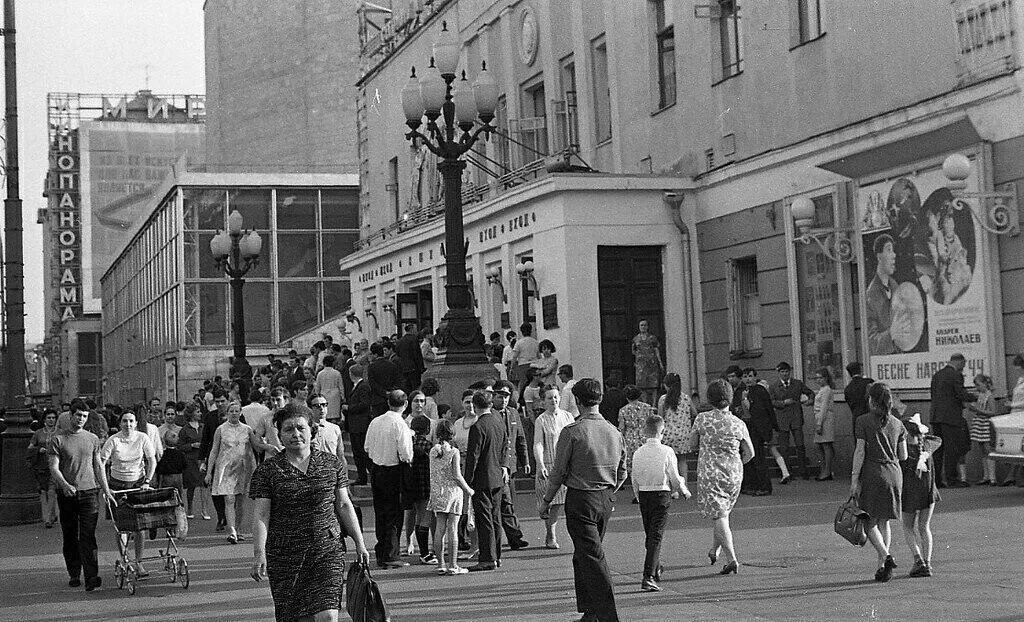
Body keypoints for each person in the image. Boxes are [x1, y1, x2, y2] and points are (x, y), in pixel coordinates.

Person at [250, 401, 370, 621]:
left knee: (328, 616)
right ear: (279, 434)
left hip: (327, 548)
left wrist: (360, 543)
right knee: (298, 618)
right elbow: (261, 514)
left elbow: (343, 505)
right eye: (288, 429)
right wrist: (259, 553)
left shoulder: (330, 464)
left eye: (301, 428)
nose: (295, 434)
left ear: (311, 431)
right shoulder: (267, 471)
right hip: (285, 554)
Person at [540, 379, 627, 622]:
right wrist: (610, 490)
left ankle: (608, 616)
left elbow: (557, 472)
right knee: (584, 554)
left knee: (592, 557)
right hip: (605, 498)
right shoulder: (614, 431)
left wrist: (546, 500)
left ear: (578, 401)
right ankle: (590, 612)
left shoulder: (572, 431)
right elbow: (623, 471)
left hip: (581, 498)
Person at [688, 379, 754, 575]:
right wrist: (736, 464)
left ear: (710, 399)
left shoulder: (702, 419)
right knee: (722, 514)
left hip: (710, 473)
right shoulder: (738, 423)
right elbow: (750, 453)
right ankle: (714, 549)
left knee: (720, 516)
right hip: (734, 474)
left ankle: (732, 559)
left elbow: (692, 445)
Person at [49, 400, 115, 591]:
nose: (81, 419)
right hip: (67, 494)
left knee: (87, 535)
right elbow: (54, 468)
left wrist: (107, 490)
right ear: (71, 416)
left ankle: (92, 577)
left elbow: (98, 465)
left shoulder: (92, 438)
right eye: (78, 415)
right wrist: (65, 485)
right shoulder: (58, 439)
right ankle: (74, 573)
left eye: (84, 416)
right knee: (70, 535)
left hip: (89, 493)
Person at [851, 382, 908, 582]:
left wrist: (854, 479)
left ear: (871, 400)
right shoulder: (898, 424)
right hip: (894, 474)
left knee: (868, 522)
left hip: (873, 474)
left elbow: (860, 451)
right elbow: (903, 456)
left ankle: (886, 556)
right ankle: (882, 568)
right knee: (884, 521)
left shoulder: (863, 421)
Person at [631, 414, 690, 592]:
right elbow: (673, 474)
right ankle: (648, 575)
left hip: (644, 494)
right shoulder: (667, 451)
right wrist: (683, 490)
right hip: (661, 493)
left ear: (645, 431)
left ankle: (655, 566)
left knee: (650, 533)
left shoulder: (638, 452)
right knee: (656, 535)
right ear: (662, 432)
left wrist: (638, 495)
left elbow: (634, 478)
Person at [99, 411, 157, 576]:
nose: (128, 424)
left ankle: (139, 562)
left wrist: (147, 481)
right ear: (120, 423)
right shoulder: (114, 440)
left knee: (140, 526)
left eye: (131, 421)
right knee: (121, 526)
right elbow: (101, 463)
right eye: (125, 421)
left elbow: (151, 460)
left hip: (138, 484)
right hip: (117, 485)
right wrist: (105, 487)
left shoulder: (142, 438)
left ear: (136, 422)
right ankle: (125, 559)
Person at [364, 389, 414, 569]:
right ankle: (391, 555)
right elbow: (406, 454)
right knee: (394, 514)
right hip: (393, 470)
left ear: (388, 403)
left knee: (381, 512)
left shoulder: (375, 421)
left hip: (377, 469)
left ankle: (382, 552)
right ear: (406, 404)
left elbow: (367, 447)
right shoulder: (400, 424)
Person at [463, 389, 508, 572]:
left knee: (485, 519)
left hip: (482, 478)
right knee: (495, 517)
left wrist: (467, 481)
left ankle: (487, 558)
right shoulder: (498, 421)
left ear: (475, 405)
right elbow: (504, 446)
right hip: (497, 476)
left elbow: (473, 456)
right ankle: (496, 556)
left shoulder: (478, 426)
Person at [205, 400, 259, 544]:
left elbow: (256, 446)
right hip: (226, 468)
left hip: (244, 468)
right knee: (229, 499)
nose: (234, 413)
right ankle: (232, 531)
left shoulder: (247, 429)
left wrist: (270, 447)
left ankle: (239, 529)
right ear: (227, 413)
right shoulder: (220, 429)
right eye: (231, 411)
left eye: (236, 411)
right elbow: (214, 450)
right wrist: (209, 471)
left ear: (240, 413)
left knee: (240, 501)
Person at [429, 418, 475, 575]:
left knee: (439, 528)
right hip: (452, 492)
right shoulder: (454, 452)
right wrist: (468, 489)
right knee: (452, 528)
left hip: (437, 491)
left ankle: (440, 564)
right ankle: (453, 565)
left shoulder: (433, 451)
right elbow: (456, 475)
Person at [533, 384, 574, 549]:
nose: (554, 400)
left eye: (556, 397)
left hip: (566, 465)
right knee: (548, 502)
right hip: (548, 464)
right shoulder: (541, 420)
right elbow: (538, 443)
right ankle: (549, 532)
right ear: (543, 401)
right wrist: (540, 463)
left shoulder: (568, 417)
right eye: (550, 398)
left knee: (559, 503)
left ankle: (552, 535)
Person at [900, 413, 941, 578]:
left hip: (909, 492)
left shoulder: (903, 452)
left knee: (907, 526)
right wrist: (922, 433)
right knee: (925, 527)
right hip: (928, 491)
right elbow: (937, 439)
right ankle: (928, 563)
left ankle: (918, 560)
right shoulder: (927, 446)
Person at [491, 380, 531, 550]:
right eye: (500, 396)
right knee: (505, 502)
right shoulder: (490, 414)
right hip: (497, 465)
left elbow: (520, 439)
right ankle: (515, 536)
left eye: (507, 396)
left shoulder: (513, 413)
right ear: (493, 396)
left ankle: (514, 536)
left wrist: (526, 461)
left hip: (511, 465)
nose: (504, 400)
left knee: (508, 502)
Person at [928, 353, 977, 487]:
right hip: (950, 417)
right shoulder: (955, 375)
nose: (963, 368)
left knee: (938, 450)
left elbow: (935, 394)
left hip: (936, 416)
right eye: (963, 365)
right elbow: (960, 394)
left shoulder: (937, 374)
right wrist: (975, 396)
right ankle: (952, 479)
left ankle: (936, 480)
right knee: (952, 449)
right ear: (959, 362)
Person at [769, 362, 815, 480]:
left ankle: (803, 471)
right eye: (782, 372)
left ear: (790, 372)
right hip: (782, 419)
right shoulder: (774, 386)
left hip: (796, 417)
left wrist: (810, 400)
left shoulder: (797, 384)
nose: (785, 374)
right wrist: (783, 403)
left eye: (787, 371)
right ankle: (788, 471)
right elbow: (771, 402)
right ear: (778, 373)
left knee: (800, 445)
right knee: (784, 447)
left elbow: (810, 393)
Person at [866, 234, 908, 355]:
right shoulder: (871, 295)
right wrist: (891, 334)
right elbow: (872, 343)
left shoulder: (895, 287)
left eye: (893, 250)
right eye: (889, 250)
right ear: (879, 257)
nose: (894, 255)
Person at [404, 415, 436, 564]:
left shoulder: (409, 444)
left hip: (412, 484)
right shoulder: (429, 446)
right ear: (428, 429)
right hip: (426, 484)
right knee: (425, 518)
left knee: (418, 516)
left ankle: (422, 550)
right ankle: (425, 553)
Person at [738, 368, 775, 495]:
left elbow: (766, 409)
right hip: (747, 427)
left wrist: (770, 428)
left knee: (759, 458)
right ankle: (753, 485)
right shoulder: (743, 392)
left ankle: (764, 487)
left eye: (750, 376)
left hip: (758, 428)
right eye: (745, 376)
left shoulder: (759, 391)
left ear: (755, 377)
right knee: (750, 458)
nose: (747, 379)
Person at [618, 385, 655, 503]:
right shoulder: (648, 408)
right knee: (647, 465)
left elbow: (622, 428)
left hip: (630, 440)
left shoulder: (623, 410)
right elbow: (652, 424)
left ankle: (638, 494)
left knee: (634, 469)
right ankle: (650, 490)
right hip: (645, 438)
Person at [657, 373, 694, 486]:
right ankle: (684, 486)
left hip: (668, 434)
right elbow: (695, 412)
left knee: (669, 462)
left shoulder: (663, 399)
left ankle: (672, 488)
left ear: (666, 385)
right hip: (683, 434)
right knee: (683, 461)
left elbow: (660, 416)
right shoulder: (686, 398)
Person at [27, 409, 60, 528]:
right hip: (42, 465)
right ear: (44, 420)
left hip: (56, 465)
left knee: (51, 490)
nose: (51, 420)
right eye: (49, 418)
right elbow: (30, 447)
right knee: (45, 491)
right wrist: (38, 450)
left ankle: (48, 518)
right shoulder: (38, 433)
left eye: (53, 418)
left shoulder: (60, 432)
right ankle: (53, 514)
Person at [178, 404, 210, 519]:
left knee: (204, 484)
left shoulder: (203, 427)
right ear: (191, 414)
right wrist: (192, 445)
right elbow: (180, 446)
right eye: (197, 412)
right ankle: (190, 509)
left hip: (202, 459)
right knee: (191, 485)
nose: (200, 414)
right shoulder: (185, 430)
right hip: (190, 460)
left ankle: (204, 510)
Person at [966, 374, 998, 485]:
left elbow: (993, 412)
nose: (977, 388)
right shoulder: (980, 395)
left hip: (985, 423)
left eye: (978, 385)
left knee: (988, 449)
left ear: (985, 384)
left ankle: (992, 477)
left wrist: (978, 410)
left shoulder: (989, 396)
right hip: (979, 423)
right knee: (982, 451)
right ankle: (986, 476)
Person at [345, 364, 372, 486]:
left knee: (362, 453)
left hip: (360, 424)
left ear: (352, 374)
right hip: (355, 424)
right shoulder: (357, 386)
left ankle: (366, 476)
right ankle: (362, 477)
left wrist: (349, 408)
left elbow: (364, 404)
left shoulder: (363, 386)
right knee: (357, 453)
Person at [1002, 354, 1024, 486]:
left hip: (1020, 413)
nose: (1016, 370)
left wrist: (1012, 404)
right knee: (1016, 446)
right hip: (1015, 415)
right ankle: (1015, 476)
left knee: (1020, 447)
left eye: (1018, 367)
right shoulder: (1020, 380)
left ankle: (1013, 476)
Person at [366, 342, 404, 418]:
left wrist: (384, 392)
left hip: (377, 400)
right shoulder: (392, 365)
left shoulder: (371, 367)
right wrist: (391, 391)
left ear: (375, 354)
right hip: (392, 398)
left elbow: (372, 383)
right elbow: (398, 380)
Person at [812, 367, 836, 481]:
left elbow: (824, 407)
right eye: (817, 378)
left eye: (821, 377)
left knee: (825, 444)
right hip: (821, 417)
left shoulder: (826, 390)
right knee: (819, 445)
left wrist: (819, 424)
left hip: (825, 419)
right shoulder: (822, 390)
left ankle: (827, 470)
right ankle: (825, 469)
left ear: (826, 378)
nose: (818, 380)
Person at [632, 319, 664, 405]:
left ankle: (654, 404)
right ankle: (645, 403)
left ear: (648, 326)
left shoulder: (652, 338)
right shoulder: (636, 339)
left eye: (645, 325)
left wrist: (660, 362)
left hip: (652, 364)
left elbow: (656, 349)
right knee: (642, 386)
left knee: (654, 385)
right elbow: (633, 351)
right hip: (641, 366)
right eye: (641, 325)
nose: (643, 327)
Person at [308, 393, 345, 461]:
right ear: (310, 408)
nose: (321, 408)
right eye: (317, 406)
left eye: (324, 405)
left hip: (331, 468)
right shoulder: (306, 429)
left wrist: (344, 471)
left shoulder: (335, 428)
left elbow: (341, 455)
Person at [844, 362, 875, 442]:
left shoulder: (848, 388)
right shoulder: (868, 382)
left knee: (859, 443)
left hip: (856, 417)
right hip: (870, 416)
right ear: (860, 370)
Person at [510, 323, 540, 398]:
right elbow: (539, 356)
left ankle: (522, 399)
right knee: (534, 383)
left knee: (523, 383)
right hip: (534, 365)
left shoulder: (519, 342)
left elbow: (514, 357)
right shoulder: (535, 342)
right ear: (531, 331)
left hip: (523, 365)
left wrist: (511, 368)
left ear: (521, 332)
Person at [314, 357, 345, 425]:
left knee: (325, 414)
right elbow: (341, 386)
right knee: (334, 416)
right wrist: (342, 397)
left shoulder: (320, 374)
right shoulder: (337, 373)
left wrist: (317, 396)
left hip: (324, 395)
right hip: (335, 396)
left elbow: (317, 387)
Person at [396, 323, 426, 393]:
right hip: (414, 368)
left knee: (406, 388)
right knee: (415, 387)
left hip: (403, 368)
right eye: (415, 329)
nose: (416, 331)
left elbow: (398, 353)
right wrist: (421, 368)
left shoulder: (400, 341)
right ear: (411, 329)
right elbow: (417, 355)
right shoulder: (413, 339)